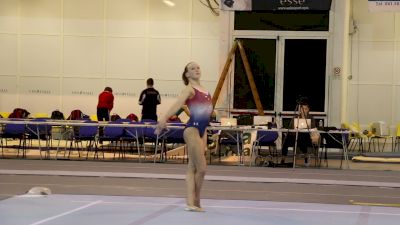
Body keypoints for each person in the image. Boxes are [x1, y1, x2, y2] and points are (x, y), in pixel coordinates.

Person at [155, 62, 213, 212]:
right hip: (192, 129)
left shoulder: (206, 91)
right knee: (202, 168)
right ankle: (196, 200)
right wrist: (164, 119)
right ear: (187, 74)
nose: (197, 70)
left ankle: (191, 202)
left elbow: (206, 111)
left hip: (203, 130)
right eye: (192, 68)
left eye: (198, 67)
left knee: (192, 167)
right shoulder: (189, 89)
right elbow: (178, 104)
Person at [281, 98, 320, 166]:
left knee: (303, 137)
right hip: (296, 136)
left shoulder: (311, 118)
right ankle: (283, 158)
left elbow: (313, 128)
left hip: (307, 137)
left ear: (308, 110)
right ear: (300, 110)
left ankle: (306, 158)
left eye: (305, 109)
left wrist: (308, 127)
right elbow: (291, 128)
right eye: (302, 109)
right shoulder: (296, 117)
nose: (303, 110)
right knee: (286, 139)